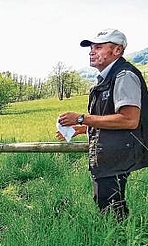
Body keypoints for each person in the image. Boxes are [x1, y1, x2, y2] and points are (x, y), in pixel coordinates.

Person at [57, 29, 148, 220]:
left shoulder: (124, 76)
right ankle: (120, 244)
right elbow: (111, 117)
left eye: (98, 47)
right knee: (109, 207)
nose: (91, 51)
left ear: (117, 50)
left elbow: (130, 119)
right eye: (91, 47)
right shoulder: (107, 77)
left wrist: (82, 118)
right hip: (111, 154)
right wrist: (83, 129)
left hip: (116, 156)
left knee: (111, 213)